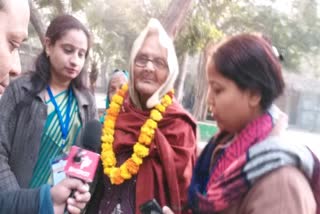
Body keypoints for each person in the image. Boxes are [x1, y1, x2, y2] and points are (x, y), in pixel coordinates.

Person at [164, 34, 320, 214]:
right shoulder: (221, 149)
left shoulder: (280, 184)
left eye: (218, 89)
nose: (209, 100)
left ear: (254, 94)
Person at [87, 18, 197, 214]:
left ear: (170, 71)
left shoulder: (179, 125)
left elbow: (186, 196)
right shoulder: (118, 113)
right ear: (132, 64)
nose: (148, 67)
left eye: (159, 62)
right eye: (141, 59)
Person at [0, 0, 91, 213]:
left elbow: (85, 158)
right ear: (48, 46)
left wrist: (73, 200)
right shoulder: (19, 90)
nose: (75, 60)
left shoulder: (85, 102)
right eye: (68, 50)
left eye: (81, 54)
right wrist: (21, 202)